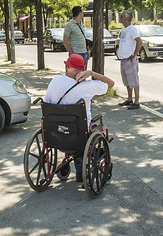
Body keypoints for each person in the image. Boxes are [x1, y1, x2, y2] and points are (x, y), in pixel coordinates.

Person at [43, 53, 114, 181]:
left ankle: (75, 163)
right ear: (83, 69)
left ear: (66, 67)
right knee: (95, 126)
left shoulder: (55, 81)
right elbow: (111, 83)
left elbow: (47, 102)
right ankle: (83, 168)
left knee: (70, 126)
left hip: (55, 133)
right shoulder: (87, 87)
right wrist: (92, 73)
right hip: (79, 135)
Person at [116, 10, 142, 109]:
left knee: (134, 81)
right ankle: (129, 99)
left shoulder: (132, 29)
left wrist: (134, 54)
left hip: (129, 59)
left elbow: (139, 41)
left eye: (122, 16)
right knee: (126, 80)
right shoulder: (124, 29)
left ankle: (136, 101)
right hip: (123, 59)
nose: (120, 18)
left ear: (126, 19)